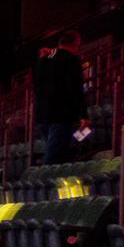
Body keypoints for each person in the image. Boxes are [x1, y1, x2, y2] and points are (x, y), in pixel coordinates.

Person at [33, 31, 87, 166]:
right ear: (76, 43)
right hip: (62, 114)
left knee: (59, 154)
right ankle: (45, 183)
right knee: (54, 158)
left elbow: (38, 85)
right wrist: (84, 115)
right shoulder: (72, 60)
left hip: (43, 114)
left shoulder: (46, 58)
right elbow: (76, 89)